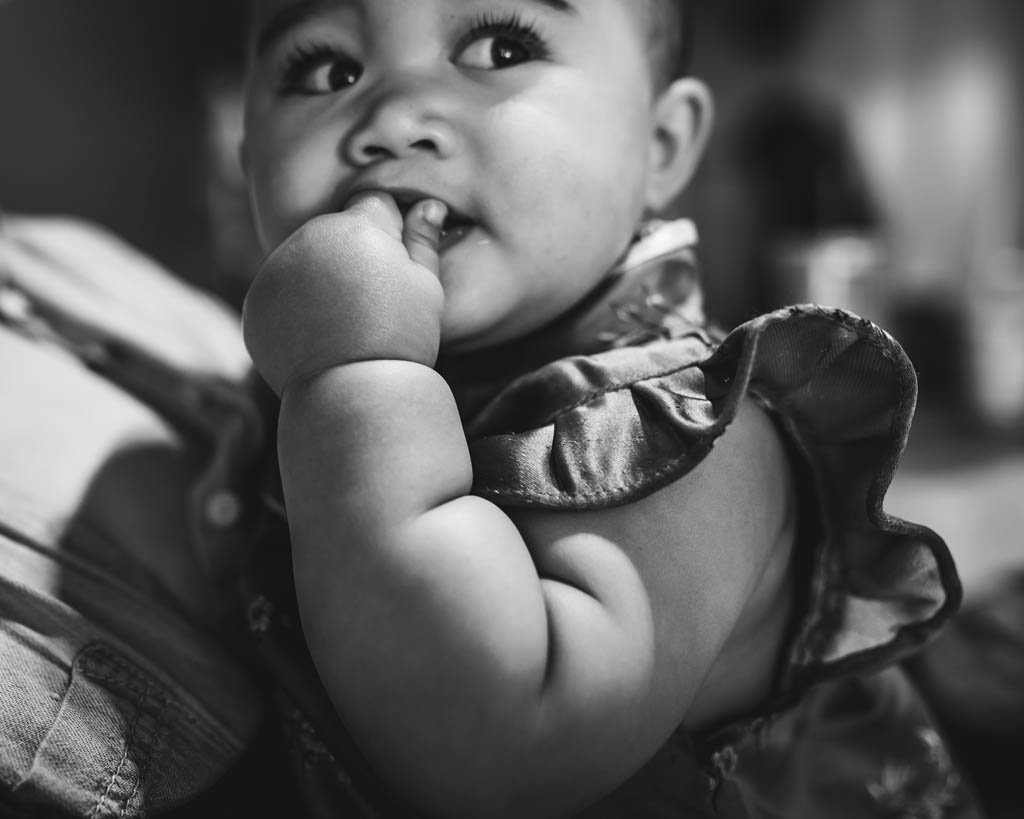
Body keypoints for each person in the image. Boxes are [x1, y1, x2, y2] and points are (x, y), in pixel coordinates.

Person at [236, 1, 982, 817]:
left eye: (498, 46)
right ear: (245, 162)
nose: (391, 119)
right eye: (327, 70)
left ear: (660, 146)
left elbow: (501, 743)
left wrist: (352, 372)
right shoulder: (282, 383)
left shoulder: (698, 428)